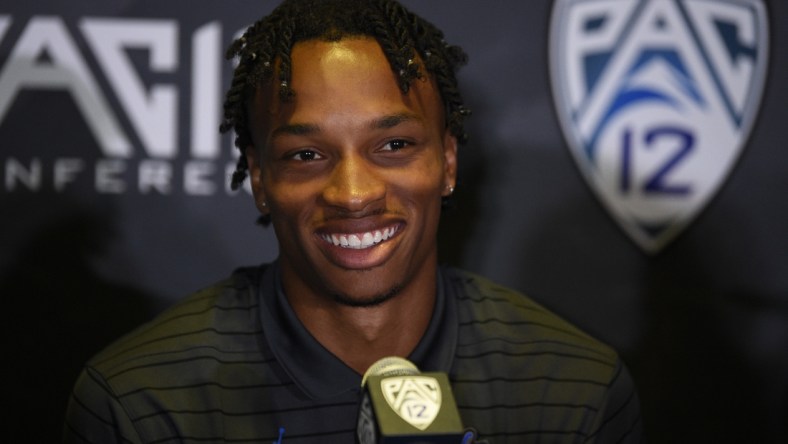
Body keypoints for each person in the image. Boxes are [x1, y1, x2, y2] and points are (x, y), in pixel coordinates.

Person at [63, 0, 643, 442]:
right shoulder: (141, 405)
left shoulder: (574, 390)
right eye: (307, 155)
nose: (353, 192)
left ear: (446, 162)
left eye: (392, 144)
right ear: (261, 181)